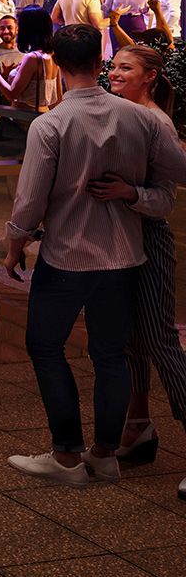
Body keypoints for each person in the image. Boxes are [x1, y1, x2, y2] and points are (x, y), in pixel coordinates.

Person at [6, 25, 186, 484]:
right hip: (124, 256)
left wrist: (14, 244)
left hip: (66, 255)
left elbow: (30, 200)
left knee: (46, 347)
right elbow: (177, 174)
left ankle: (67, 455)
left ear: (56, 62)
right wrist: (136, 193)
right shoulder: (140, 119)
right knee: (111, 354)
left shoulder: (51, 125)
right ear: (100, 61)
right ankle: (105, 453)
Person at [99, 44, 186, 496]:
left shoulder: (155, 121)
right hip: (120, 240)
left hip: (148, 240)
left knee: (160, 342)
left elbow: (165, 199)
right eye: (113, 66)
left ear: (150, 76)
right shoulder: (125, 112)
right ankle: (139, 427)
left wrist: (128, 193)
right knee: (130, 341)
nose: (115, 73)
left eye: (125, 68)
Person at [0, 7, 62, 114]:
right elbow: (57, 97)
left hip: (23, 119)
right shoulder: (52, 55)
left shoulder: (32, 58)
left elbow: (11, 94)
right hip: (43, 115)